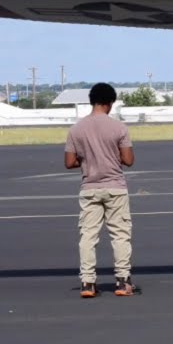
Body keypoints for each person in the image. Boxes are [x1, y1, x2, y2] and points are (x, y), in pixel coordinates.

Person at [64, 82, 137, 298]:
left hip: (89, 188)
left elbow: (69, 162)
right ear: (110, 102)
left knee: (88, 236)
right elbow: (128, 160)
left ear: (91, 101)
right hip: (115, 187)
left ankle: (87, 283)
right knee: (120, 235)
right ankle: (123, 281)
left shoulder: (76, 129)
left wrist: (88, 162)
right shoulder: (119, 128)